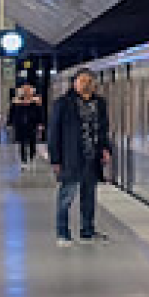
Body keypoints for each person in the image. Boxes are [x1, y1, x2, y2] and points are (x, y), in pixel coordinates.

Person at [48, 69, 112, 247]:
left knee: (89, 197)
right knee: (66, 197)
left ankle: (87, 231)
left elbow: (104, 129)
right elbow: (54, 133)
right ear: (74, 83)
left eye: (89, 81)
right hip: (71, 158)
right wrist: (55, 159)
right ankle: (63, 233)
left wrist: (106, 149)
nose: (85, 84)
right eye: (81, 80)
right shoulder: (62, 104)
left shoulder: (100, 104)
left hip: (92, 158)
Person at [8, 84, 42, 170]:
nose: (26, 93)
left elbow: (39, 113)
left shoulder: (35, 102)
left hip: (32, 125)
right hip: (20, 125)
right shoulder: (16, 102)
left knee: (32, 143)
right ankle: (23, 161)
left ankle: (31, 158)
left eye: (28, 91)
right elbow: (11, 113)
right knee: (22, 144)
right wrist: (10, 123)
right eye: (25, 91)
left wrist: (40, 124)